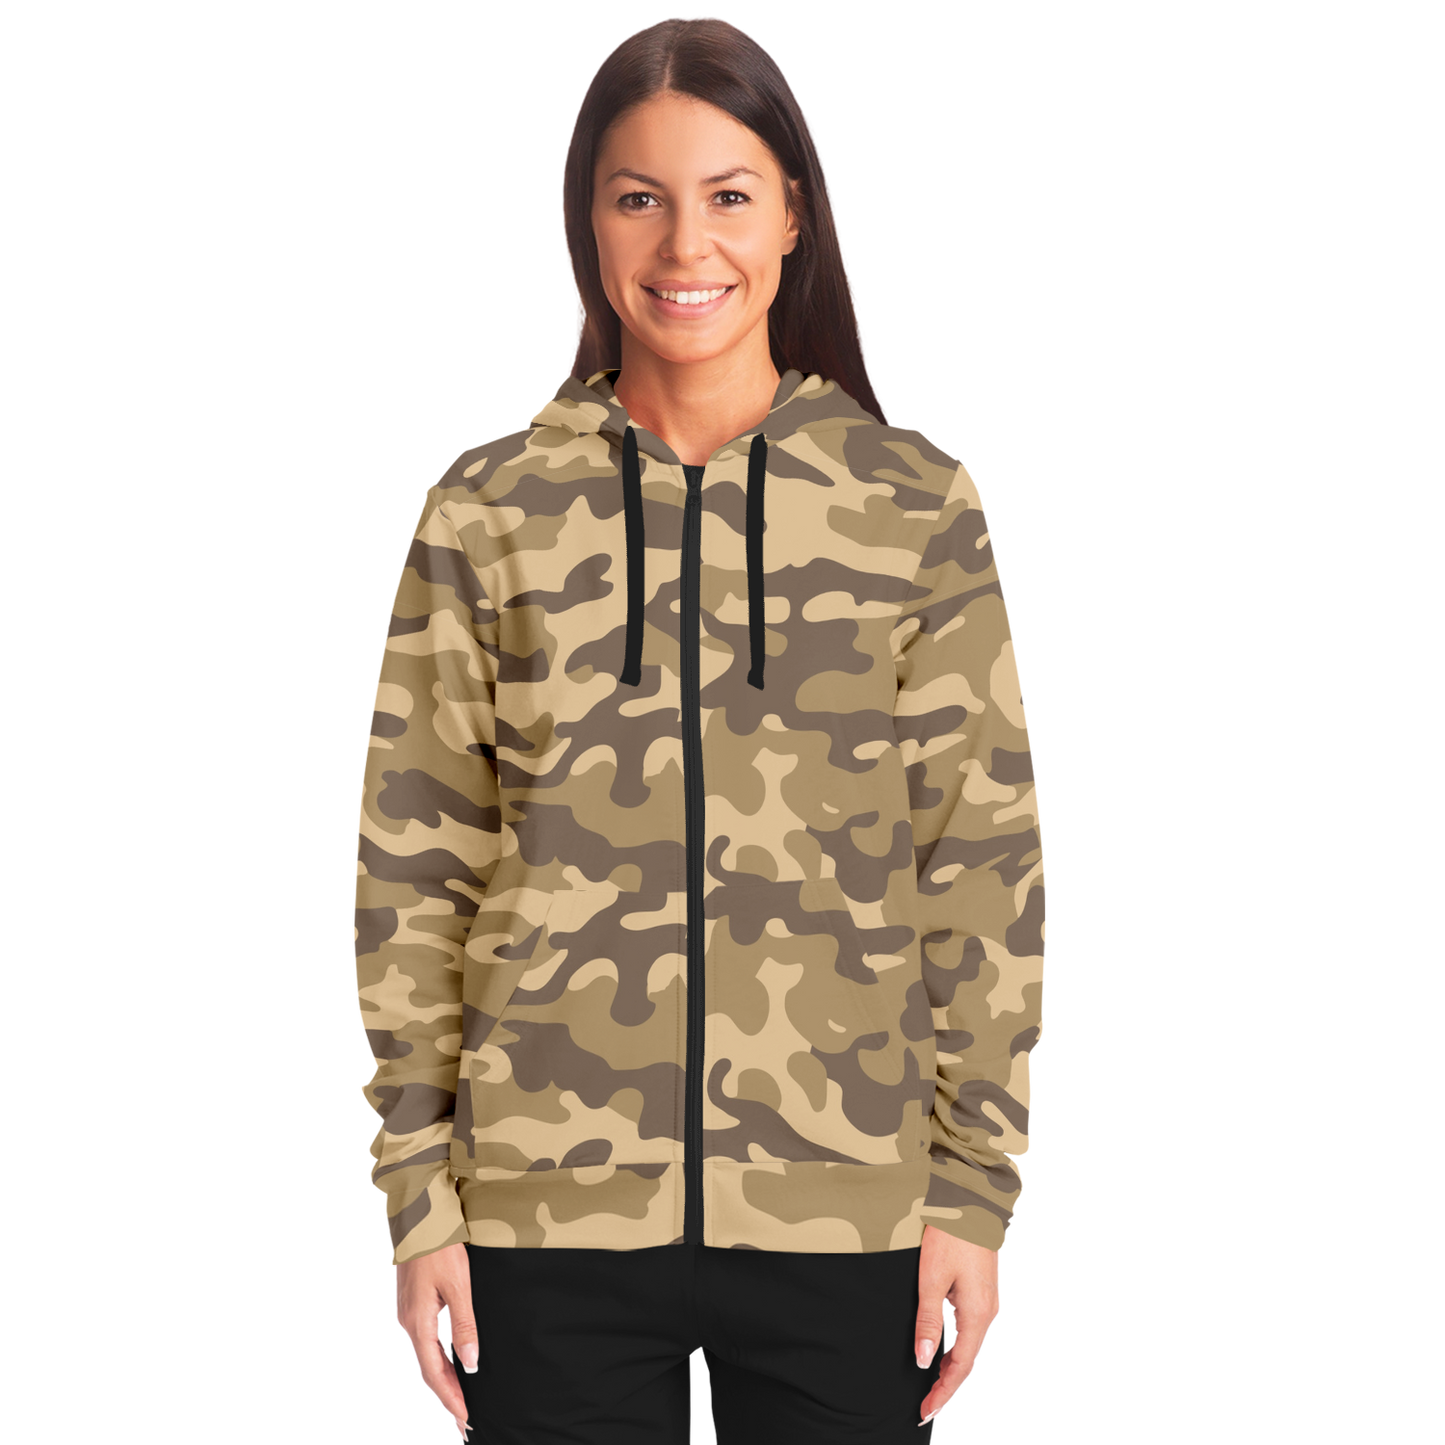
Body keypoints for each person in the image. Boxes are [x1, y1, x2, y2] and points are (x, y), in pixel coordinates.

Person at [351, 14, 1046, 1442]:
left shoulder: (916, 504)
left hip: (852, 1216)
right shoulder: (484, 509)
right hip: (542, 1224)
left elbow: (982, 865)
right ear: (585, 223)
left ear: (794, 215)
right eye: (639, 197)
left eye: (728, 194)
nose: (686, 246)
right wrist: (418, 1199)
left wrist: (976, 1189)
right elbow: (413, 874)